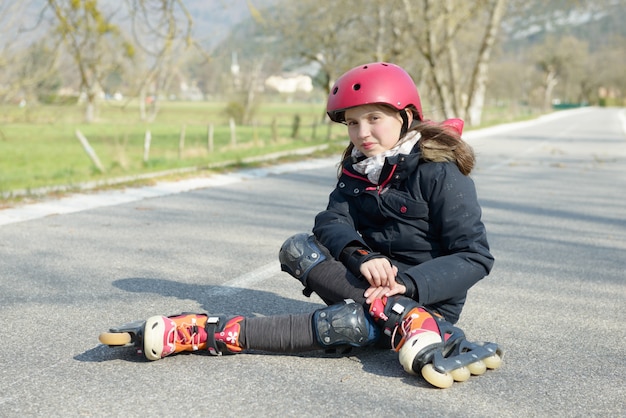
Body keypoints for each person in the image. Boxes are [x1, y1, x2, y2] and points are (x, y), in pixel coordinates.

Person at [101, 62, 502, 388]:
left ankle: (200, 332)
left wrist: (407, 286)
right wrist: (360, 255)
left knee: (343, 325)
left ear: (406, 116)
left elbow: (474, 256)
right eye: (352, 123)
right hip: (373, 285)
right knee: (297, 247)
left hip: (427, 297)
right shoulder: (359, 168)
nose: (362, 133)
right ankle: (398, 317)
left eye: (374, 118)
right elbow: (331, 220)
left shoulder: (439, 172)